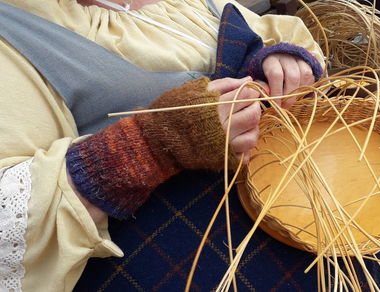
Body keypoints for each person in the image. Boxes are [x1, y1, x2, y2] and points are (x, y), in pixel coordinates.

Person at [0, 0, 325, 290]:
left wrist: (281, 60)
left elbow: (274, 32)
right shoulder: (15, 36)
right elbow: (12, 226)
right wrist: (152, 143)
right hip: (200, 262)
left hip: (312, 220)